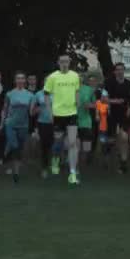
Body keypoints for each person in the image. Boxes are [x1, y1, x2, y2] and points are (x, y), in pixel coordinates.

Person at [44, 54, 81, 185]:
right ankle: (55, 159)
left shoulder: (75, 76)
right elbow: (47, 95)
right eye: (62, 61)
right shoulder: (52, 77)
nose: (64, 63)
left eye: (66, 61)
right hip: (57, 114)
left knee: (72, 143)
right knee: (58, 141)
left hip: (72, 113)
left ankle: (72, 173)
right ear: (58, 63)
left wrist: (77, 103)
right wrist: (49, 112)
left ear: (69, 62)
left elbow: (77, 91)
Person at [0, 72, 34, 184]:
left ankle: (16, 173)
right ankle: (5, 156)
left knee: (19, 149)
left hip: (23, 125)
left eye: (22, 78)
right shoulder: (9, 94)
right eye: (18, 78)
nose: (20, 80)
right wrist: (1, 123)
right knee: (14, 145)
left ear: (25, 81)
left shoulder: (30, 95)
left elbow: (32, 112)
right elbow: (4, 109)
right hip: (11, 124)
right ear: (15, 81)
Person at [103, 63, 130, 172]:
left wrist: (129, 110)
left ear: (124, 71)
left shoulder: (129, 84)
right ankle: (107, 153)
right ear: (114, 71)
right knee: (111, 139)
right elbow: (104, 99)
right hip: (111, 113)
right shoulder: (108, 83)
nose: (120, 71)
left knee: (124, 138)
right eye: (118, 69)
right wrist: (115, 101)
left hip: (124, 114)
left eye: (122, 69)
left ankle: (123, 162)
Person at [32, 80, 54, 178]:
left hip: (55, 123)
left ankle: (55, 165)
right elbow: (32, 111)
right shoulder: (38, 94)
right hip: (42, 123)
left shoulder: (57, 93)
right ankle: (44, 168)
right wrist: (39, 109)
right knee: (44, 146)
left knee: (55, 145)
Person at [78, 74, 97, 167]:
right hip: (73, 119)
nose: (79, 78)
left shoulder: (89, 89)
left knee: (86, 144)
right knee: (74, 143)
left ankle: (84, 161)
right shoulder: (70, 89)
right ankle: (74, 162)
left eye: (80, 76)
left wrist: (90, 105)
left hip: (86, 120)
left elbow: (95, 104)